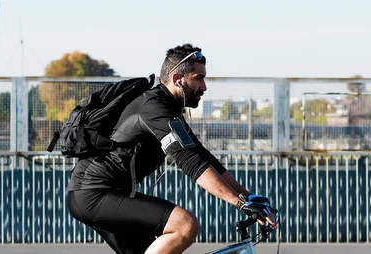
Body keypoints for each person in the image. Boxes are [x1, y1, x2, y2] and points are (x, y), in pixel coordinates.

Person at [66, 43, 278, 254]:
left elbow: (202, 156)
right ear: (178, 79)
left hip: (101, 194)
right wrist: (238, 202)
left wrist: (248, 196)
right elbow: (191, 162)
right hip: (94, 193)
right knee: (184, 225)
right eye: (199, 79)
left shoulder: (168, 109)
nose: (204, 87)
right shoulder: (154, 108)